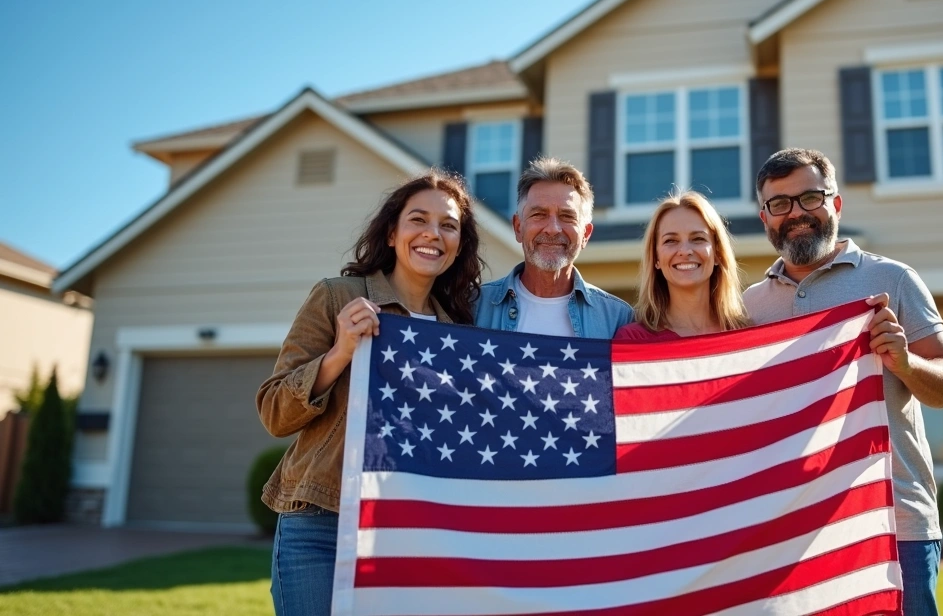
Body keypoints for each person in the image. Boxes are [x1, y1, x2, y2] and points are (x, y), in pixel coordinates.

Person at [743, 148, 943, 616]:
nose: (796, 214)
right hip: (789, 528)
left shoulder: (892, 279)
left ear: (836, 204)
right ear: (765, 218)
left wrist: (904, 362)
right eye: (780, 204)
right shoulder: (749, 307)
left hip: (893, 520)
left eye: (810, 198)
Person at [255, 171, 483, 616]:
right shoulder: (337, 296)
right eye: (418, 219)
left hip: (407, 532)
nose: (432, 234)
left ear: (458, 244)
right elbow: (274, 412)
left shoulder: (461, 335)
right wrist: (340, 352)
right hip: (321, 522)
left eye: (449, 225)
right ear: (393, 233)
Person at [475, 156, 632, 338]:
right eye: (539, 214)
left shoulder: (617, 319)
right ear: (518, 227)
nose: (552, 229)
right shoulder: (473, 309)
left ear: (586, 234)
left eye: (567, 216)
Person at [615, 189, 749, 340]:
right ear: (656, 258)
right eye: (671, 241)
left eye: (698, 238)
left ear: (717, 254)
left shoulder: (747, 337)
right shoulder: (634, 340)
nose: (685, 251)